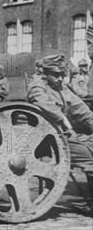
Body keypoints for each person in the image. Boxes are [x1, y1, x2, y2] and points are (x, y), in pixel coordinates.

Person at [27, 54, 93, 193]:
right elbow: (41, 100)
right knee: (89, 156)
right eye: (56, 75)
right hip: (47, 140)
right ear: (45, 73)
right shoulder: (37, 85)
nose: (60, 79)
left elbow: (82, 110)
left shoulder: (61, 87)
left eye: (63, 75)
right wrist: (62, 118)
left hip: (63, 136)